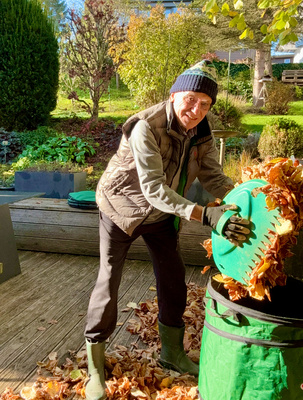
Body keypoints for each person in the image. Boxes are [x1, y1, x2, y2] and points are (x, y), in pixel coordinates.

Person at [84, 60, 250, 400]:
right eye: (190, 99)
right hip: (121, 210)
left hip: (160, 216)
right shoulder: (146, 126)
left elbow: (212, 176)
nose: (196, 109)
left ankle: (172, 353)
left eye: (205, 104)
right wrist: (207, 215)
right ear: (173, 95)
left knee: (174, 277)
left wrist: (245, 201)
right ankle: (95, 366)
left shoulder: (202, 129)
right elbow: (153, 189)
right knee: (109, 280)